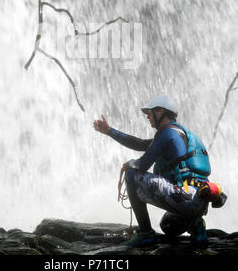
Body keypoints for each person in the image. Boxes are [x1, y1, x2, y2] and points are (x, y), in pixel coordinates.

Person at [93, 95, 217, 247]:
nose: (148, 116)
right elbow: (140, 144)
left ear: (161, 112)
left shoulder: (167, 133)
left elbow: (142, 165)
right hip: (199, 199)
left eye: (150, 112)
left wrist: (130, 164)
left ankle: (145, 233)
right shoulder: (180, 133)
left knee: (131, 174)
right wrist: (109, 131)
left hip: (184, 196)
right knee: (168, 226)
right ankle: (196, 225)